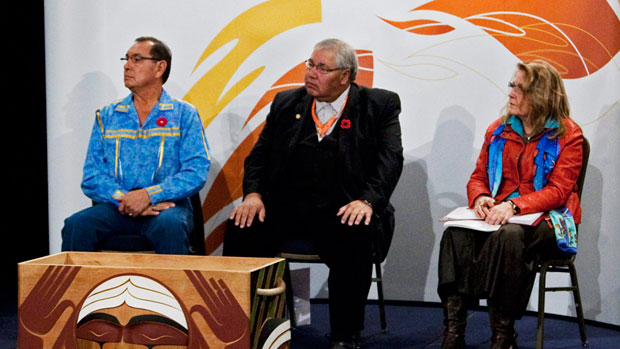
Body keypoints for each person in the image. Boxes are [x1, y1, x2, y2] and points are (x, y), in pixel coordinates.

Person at [223, 38, 403, 348]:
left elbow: (390, 160)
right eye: (310, 64)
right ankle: (250, 326)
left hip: (344, 207)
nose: (310, 73)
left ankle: (346, 335)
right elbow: (259, 158)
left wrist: (368, 200)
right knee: (243, 226)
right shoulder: (286, 103)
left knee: (354, 235)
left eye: (321, 68)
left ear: (345, 75)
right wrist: (253, 195)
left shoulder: (378, 106)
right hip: (290, 208)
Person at [437, 60, 584, 349]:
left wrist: (514, 206)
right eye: (511, 85)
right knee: (455, 234)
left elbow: (558, 191)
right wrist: (480, 198)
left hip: (551, 221)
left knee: (510, 236)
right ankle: (454, 330)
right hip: (502, 214)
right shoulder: (498, 130)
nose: (511, 93)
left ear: (541, 95)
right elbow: (478, 177)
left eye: (520, 88)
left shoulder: (568, 135)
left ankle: (503, 332)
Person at [61, 36, 211, 254]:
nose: (127, 66)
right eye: (127, 59)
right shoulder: (108, 115)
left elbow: (195, 172)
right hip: (118, 207)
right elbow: (92, 176)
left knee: (170, 225)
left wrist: (149, 195)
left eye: (137, 59)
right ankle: (76, 289)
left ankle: (171, 289)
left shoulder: (183, 114)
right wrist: (127, 199)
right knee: (76, 225)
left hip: (166, 208)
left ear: (160, 67)